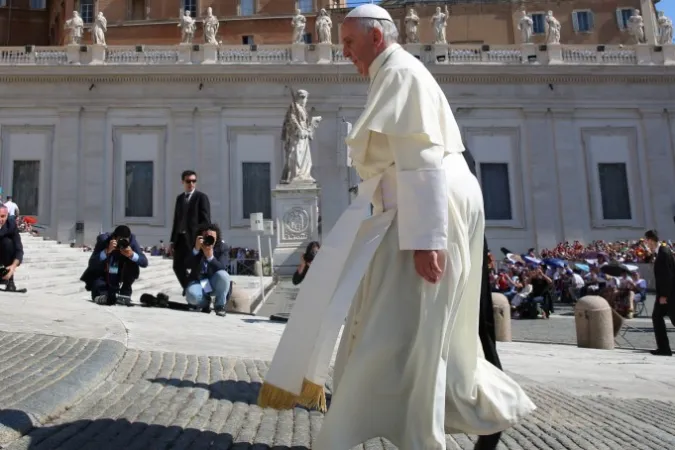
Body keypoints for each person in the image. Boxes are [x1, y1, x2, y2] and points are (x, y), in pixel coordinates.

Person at [257, 5, 535, 450]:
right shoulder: (393, 73)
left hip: (427, 209)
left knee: (401, 327)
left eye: (348, 42)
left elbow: (419, 155)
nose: (344, 52)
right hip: (418, 207)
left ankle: (440, 423)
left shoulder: (400, 73)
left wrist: (428, 241)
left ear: (377, 37)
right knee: (406, 327)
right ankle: (461, 414)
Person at [80, 225, 148, 305]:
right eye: (120, 240)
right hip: (103, 274)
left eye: (125, 240)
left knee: (133, 262)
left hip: (118, 274)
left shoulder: (132, 241)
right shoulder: (104, 240)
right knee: (103, 292)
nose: (122, 243)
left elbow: (144, 262)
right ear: (114, 238)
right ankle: (101, 295)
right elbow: (92, 263)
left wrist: (132, 255)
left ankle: (125, 292)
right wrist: (107, 251)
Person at [170, 170, 211, 292]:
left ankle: (205, 296)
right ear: (183, 182)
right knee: (177, 267)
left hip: (194, 241)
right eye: (188, 181)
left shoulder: (201, 197)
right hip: (180, 240)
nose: (191, 183)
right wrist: (172, 241)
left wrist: (201, 239)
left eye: (194, 181)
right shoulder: (179, 198)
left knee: (197, 269)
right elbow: (176, 220)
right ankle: (189, 289)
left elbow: (206, 220)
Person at [185, 223, 231, 316]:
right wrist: (196, 250)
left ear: (217, 238)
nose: (209, 240)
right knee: (192, 296)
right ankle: (204, 303)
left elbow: (223, 267)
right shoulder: (195, 245)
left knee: (224, 275)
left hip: (214, 280)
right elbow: (187, 265)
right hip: (200, 280)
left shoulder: (222, 247)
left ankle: (219, 305)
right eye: (206, 237)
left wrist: (210, 257)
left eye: (212, 237)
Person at [645, 229, 675, 356]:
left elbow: (667, 276)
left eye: (647, 241)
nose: (646, 243)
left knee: (662, 317)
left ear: (651, 240)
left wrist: (664, 295)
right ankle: (663, 348)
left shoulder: (663, 252)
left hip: (668, 295)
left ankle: (664, 348)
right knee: (657, 317)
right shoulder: (660, 252)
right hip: (666, 294)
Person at [0, 205, 23, 292]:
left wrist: (13, 266)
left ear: (7, 216)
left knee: (8, 243)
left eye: (2, 216)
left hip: (2, 260)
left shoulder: (11, 225)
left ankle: (9, 281)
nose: (0, 219)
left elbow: (19, 249)